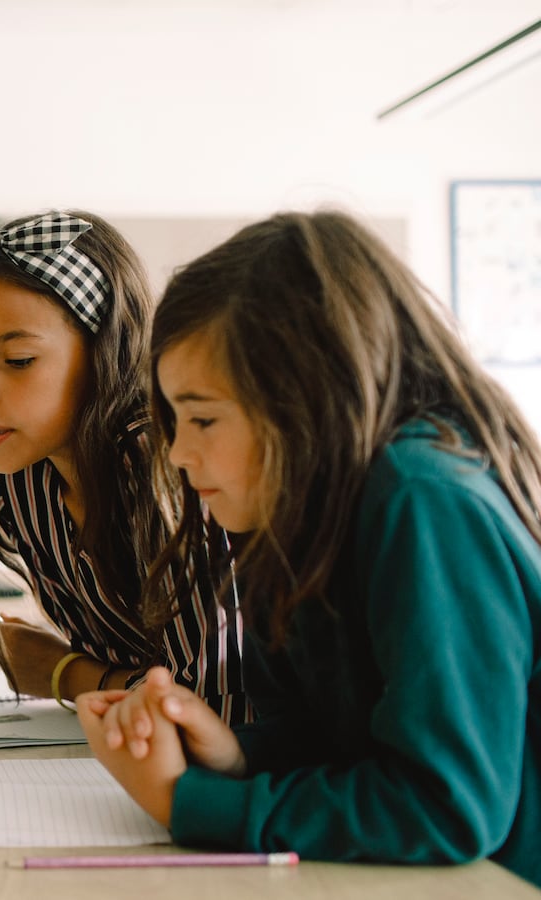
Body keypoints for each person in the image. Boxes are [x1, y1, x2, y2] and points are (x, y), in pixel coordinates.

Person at [79, 211, 540, 885]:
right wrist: (235, 756)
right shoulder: (294, 514)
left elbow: (448, 807)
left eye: (203, 418)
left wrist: (192, 804)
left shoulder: (421, 499)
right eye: (175, 421)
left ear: (307, 401)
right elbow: (340, 741)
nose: (178, 453)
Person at [0, 210, 248, 719]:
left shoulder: (164, 464)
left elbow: (216, 707)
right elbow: (144, 677)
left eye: (18, 360)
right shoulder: (21, 481)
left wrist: (62, 674)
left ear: (105, 353)